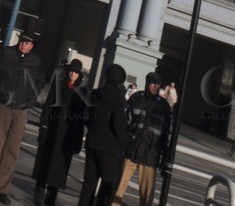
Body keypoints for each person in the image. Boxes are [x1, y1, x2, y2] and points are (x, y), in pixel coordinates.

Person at [0, 30, 47, 204]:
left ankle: (2, 190)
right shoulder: (6, 53)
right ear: (19, 41)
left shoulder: (35, 62)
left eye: (28, 43)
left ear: (32, 46)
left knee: (12, 150)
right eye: (22, 41)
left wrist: (31, 100)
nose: (24, 45)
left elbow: (41, 81)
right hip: (3, 106)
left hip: (21, 111)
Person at [31, 58, 89, 206]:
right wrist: (43, 126)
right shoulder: (58, 84)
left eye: (76, 72)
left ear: (79, 75)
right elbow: (48, 106)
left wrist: (77, 140)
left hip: (67, 137)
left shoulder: (82, 91)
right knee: (44, 164)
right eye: (71, 71)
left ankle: (51, 199)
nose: (73, 74)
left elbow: (81, 119)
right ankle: (38, 196)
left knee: (58, 169)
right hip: (52, 130)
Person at [75, 64, 130, 206]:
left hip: (92, 143)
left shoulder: (95, 93)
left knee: (88, 185)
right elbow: (118, 125)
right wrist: (125, 144)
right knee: (107, 187)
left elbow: (87, 118)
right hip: (110, 149)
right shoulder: (118, 99)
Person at [116, 72, 172, 206]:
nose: (155, 86)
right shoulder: (136, 98)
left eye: (158, 84)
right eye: (153, 83)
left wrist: (165, 158)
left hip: (151, 154)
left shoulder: (164, 106)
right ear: (147, 83)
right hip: (131, 150)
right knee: (117, 188)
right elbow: (125, 122)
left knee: (147, 196)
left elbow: (167, 135)